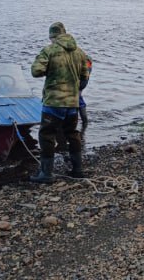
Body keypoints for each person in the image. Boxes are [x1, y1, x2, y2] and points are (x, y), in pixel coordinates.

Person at [30, 21, 90, 182]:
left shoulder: (49, 50)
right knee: (73, 134)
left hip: (54, 102)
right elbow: (85, 77)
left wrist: (50, 69)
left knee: (47, 135)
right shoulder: (80, 52)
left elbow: (36, 71)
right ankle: (78, 170)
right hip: (73, 103)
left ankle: (46, 174)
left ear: (52, 36)